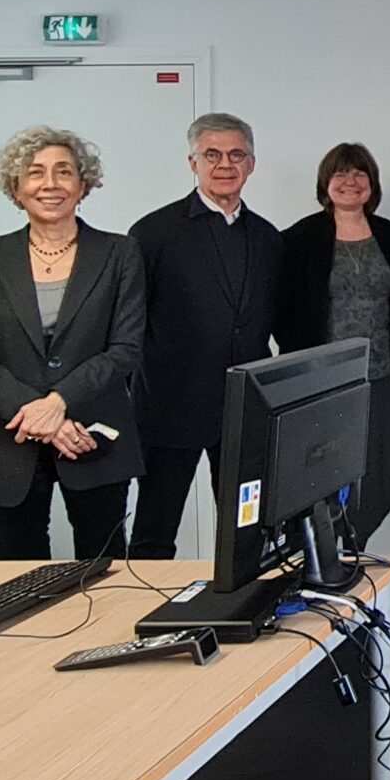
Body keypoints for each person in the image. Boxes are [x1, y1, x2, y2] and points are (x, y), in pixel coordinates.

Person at [0, 126, 146, 562]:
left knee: (107, 568)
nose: (50, 183)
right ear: (16, 188)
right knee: (15, 573)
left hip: (95, 435)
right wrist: (45, 417)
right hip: (9, 437)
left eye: (64, 172)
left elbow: (125, 349)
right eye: (35, 173)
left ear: (83, 185)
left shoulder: (119, 253)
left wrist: (59, 401)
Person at [126, 114, 282, 559]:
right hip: (168, 405)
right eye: (212, 155)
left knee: (246, 533)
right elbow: (129, 326)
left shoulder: (268, 238)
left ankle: (241, 613)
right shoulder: (152, 233)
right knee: (155, 531)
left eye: (236, 155)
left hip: (242, 409)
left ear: (251, 164)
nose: (225, 165)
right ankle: (143, 622)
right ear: (193, 162)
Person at [274, 143, 390, 542]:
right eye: (341, 174)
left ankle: (356, 554)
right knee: (318, 481)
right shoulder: (299, 239)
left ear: (372, 185)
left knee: (376, 478)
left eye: (360, 174)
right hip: (321, 386)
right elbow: (280, 312)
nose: (350, 182)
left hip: (381, 378)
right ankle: (319, 564)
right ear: (325, 183)